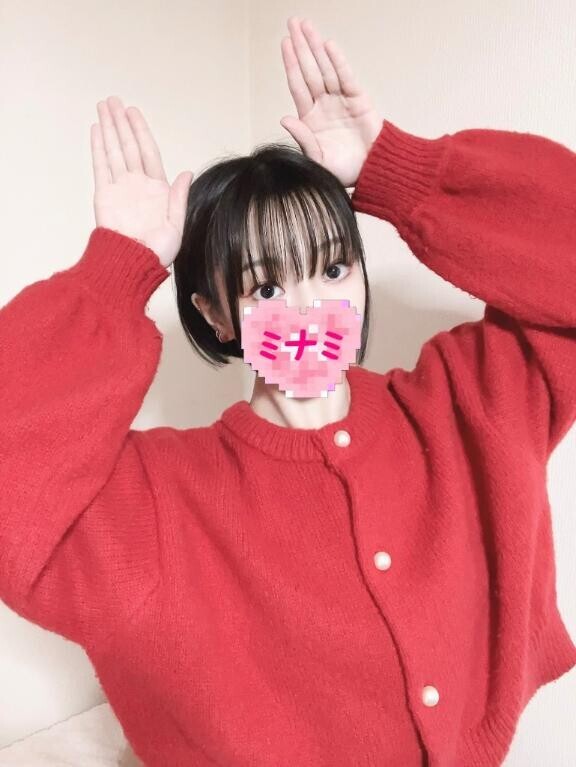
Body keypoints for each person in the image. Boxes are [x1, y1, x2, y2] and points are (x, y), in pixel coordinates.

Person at [1, 14, 576, 767]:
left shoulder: (464, 404)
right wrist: (117, 272)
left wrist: (394, 168)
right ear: (215, 314)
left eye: (333, 269)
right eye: (266, 286)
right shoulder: (158, 502)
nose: (309, 308)